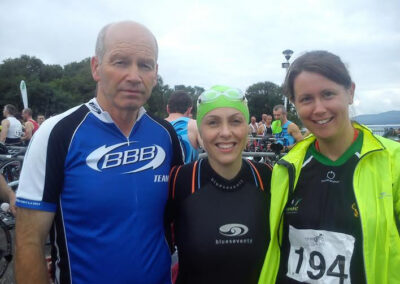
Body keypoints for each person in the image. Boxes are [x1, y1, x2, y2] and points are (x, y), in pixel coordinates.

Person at [15, 21, 183, 284]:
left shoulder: (166, 136)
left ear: (155, 73)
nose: (134, 76)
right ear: (96, 67)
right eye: (120, 62)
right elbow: (28, 242)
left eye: (145, 65)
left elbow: (178, 222)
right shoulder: (56, 133)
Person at [259, 50, 400, 283]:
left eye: (328, 94)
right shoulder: (286, 168)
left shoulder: (392, 160)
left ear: (350, 92)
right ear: (295, 104)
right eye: (306, 99)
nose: (319, 108)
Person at [169, 85, 272, 283]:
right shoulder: (179, 180)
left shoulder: (268, 177)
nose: (225, 133)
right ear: (200, 129)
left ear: (246, 128)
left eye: (235, 121)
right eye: (213, 123)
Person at [165, 90, 202, 164]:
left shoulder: (156, 126)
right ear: (189, 110)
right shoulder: (194, 125)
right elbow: (214, 153)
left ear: (167, 108)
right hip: (186, 174)